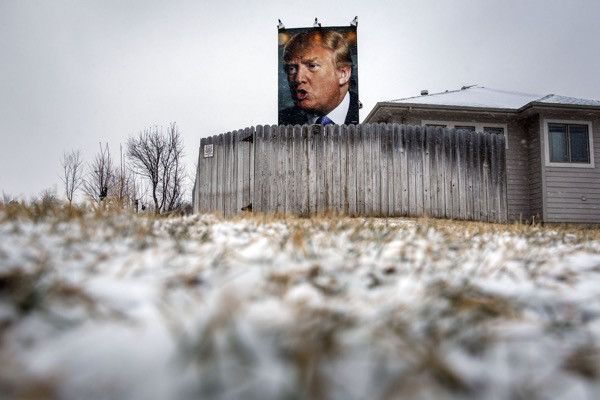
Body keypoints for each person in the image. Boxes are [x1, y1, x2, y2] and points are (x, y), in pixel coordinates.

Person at [279, 30, 359, 126]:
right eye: (292, 68)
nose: (298, 79)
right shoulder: (280, 121)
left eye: (312, 66)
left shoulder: (368, 112)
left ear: (343, 74)